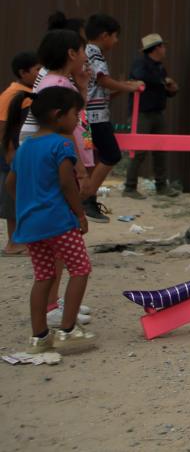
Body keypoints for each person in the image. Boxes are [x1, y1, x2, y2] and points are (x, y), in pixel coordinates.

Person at [5, 87, 96, 354]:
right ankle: (68, 330)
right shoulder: (62, 144)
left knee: (43, 276)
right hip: (58, 221)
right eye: (75, 114)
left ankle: (39, 337)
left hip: (30, 224)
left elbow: (12, 184)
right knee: (80, 268)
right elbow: (67, 182)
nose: (77, 120)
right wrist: (79, 213)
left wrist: (30, 201)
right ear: (58, 115)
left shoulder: (25, 148)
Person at [80, 14, 143, 221]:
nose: (116, 42)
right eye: (115, 37)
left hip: (89, 115)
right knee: (111, 154)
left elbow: (99, 87)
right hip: (95, 117)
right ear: (104, 35)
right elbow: (103, 80)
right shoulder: (94, 53)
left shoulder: (87, 52)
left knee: (94, 159)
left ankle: (86, 197)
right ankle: (87, 198)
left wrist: (124, 88)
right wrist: (127, 86)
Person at [127, 33, 180, 197]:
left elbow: (162, 87)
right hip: (142, 113)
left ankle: (161, 185)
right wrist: (165, 82)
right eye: (163, 46)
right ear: (156, 48)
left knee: (160, 150)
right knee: (139, 151)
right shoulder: (141, 64)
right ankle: (129, 187)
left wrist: (171, 89)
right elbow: (142, 77)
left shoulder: (159, 67)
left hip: (157, 112)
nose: (165, 49)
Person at [1, 51, 39, 255]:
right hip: (12, 155)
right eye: (37, 70)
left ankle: (23, 241)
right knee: (12, 199)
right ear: (23, 73)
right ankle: (13, 243)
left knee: (22, 197)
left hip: (23, 155)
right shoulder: (13, 94)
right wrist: (9, 152)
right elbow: (3, 125)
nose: (40, 73)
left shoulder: (28, 93)